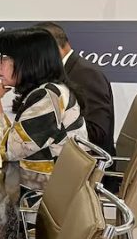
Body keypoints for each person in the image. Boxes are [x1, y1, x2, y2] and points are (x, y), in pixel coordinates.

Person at [0, 28, 87, 188]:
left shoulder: (49, 96)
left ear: (27, 61)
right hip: (40, 183)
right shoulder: (45, 91)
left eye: (3, 59)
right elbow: (18, 138)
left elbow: (8, 151)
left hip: (48, 193)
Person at [34, 22, 115, 155]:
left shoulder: (87, 75)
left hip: (86, 163)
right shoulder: (60, 71)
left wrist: (44, 128)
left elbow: (97, 133)